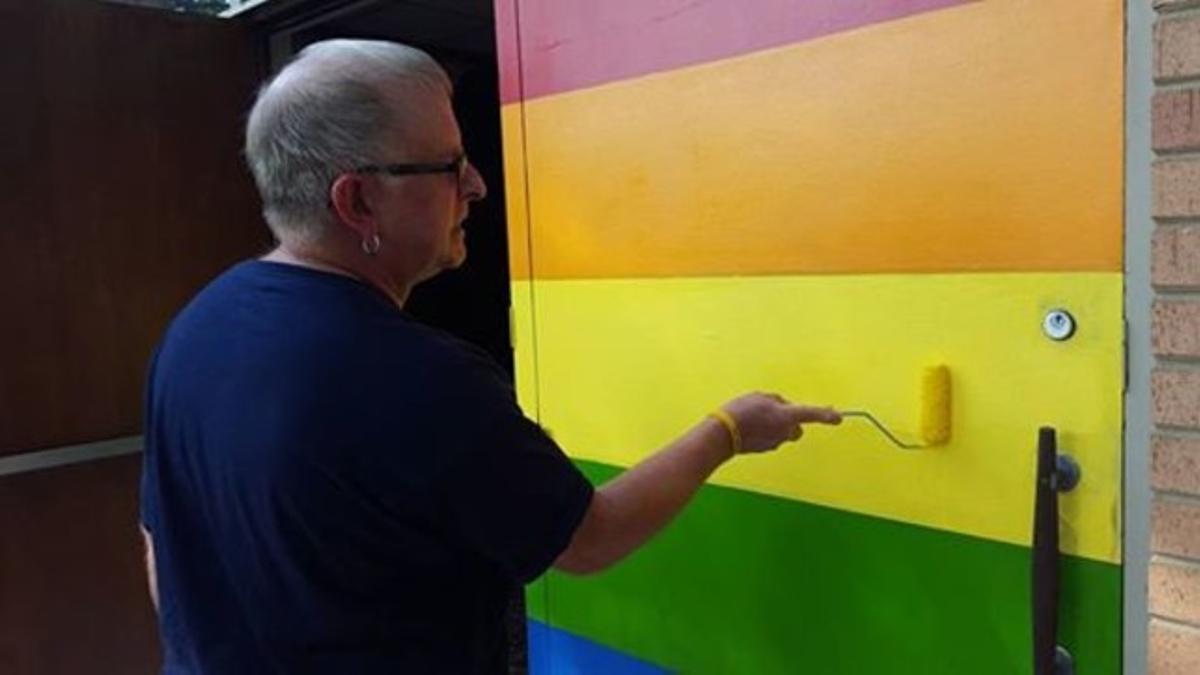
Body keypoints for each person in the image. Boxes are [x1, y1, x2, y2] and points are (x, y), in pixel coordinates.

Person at [138, 39, 842, 674]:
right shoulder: (422, 381)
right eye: (449, 165)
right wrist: (727, 429)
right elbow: (588, 540)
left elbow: (158, 547)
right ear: (357, 201)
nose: (475, 185)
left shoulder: (195, 327)